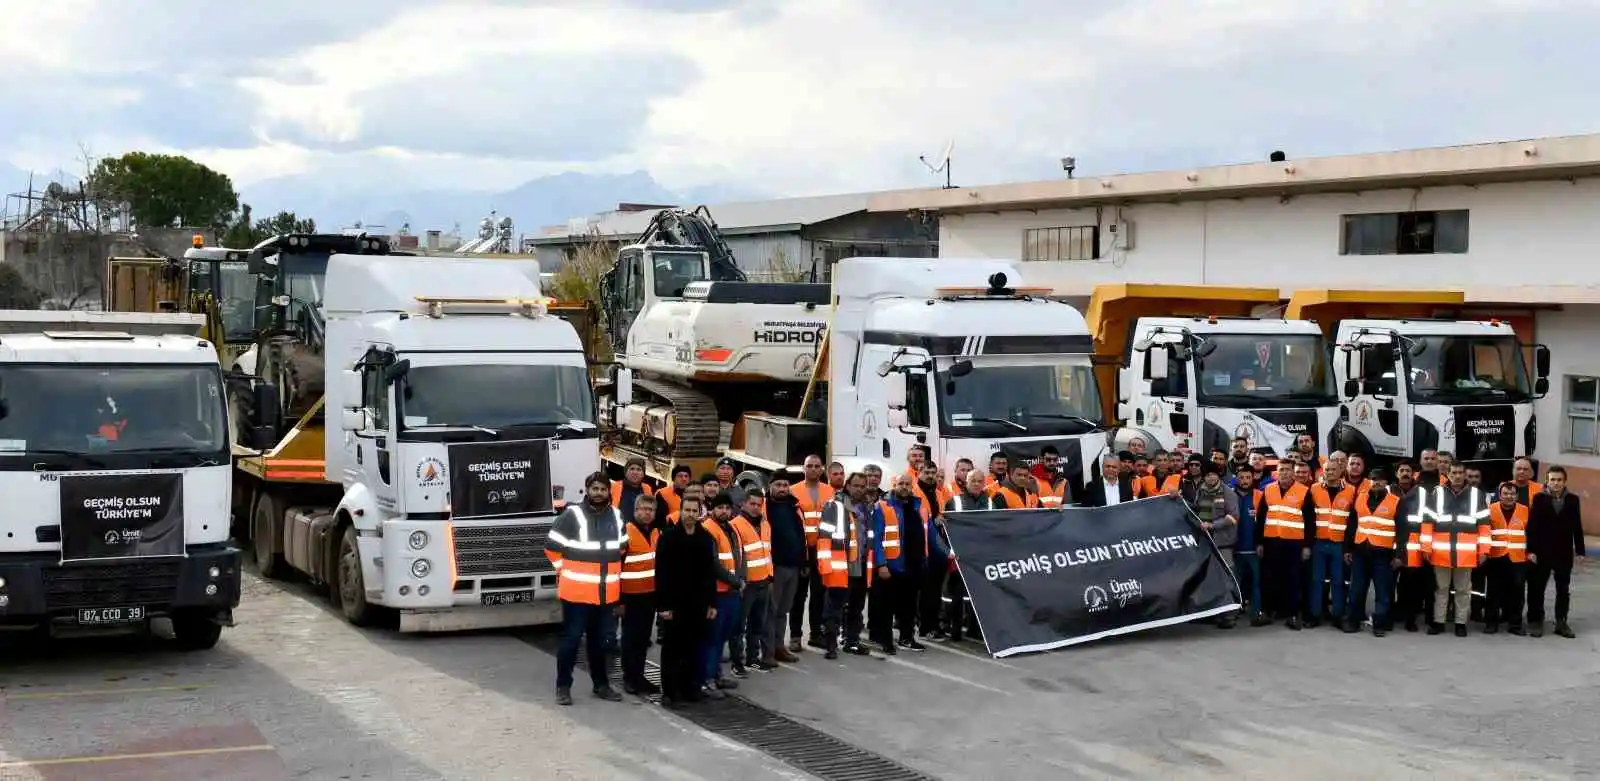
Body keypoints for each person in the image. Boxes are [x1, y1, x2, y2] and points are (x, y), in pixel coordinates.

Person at [544, 472, 628, 706]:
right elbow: (551, 547)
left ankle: (601, 685)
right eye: (595, 489)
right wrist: (565, 571)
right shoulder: (572, 514)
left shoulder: (617, 516)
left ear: (608, 492)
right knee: (571, 641)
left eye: (603, 489)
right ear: (587, 490)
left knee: (601, 643)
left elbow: (622, 549)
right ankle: (563, 687)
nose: (599, 493)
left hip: (605, 595)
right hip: (576, 595)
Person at [655, 489, 719, 709]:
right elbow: (661, 574)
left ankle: (690, 689)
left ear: (700, 512)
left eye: (695, 510)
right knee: (672, 649)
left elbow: (710, 573)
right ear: (680, 511)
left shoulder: (704, 538)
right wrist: (663, 606)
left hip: (698, 604)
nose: (691, 514)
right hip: (674, 604)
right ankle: (670, 693)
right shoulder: (668, 538)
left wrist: (712, 603)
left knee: (693, 648)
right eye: (687, 510)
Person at [1421, 462, 1490, 637]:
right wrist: (1426, 547)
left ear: (1465, 474)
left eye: (1460, 473)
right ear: (1448, 474)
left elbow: (1484, 526)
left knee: (1463, 590)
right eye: (1454, 473)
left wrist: (1484, 551)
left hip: (1465, 553)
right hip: (1440, 552)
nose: (1457, 476)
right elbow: (1428, 523)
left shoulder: (1476, 495)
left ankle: (1460, 623)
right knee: (1441, 589)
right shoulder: (1437, 493)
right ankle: (1439, 622)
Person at [817, 472, 875, 658]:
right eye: (855, 485)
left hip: (861, 564)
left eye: (862, 486)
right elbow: (824, 537)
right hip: (840, 566)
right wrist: (826, 566)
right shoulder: (835, 506)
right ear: (847, 486)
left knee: (857, 608)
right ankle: (830, 646)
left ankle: (852, 642)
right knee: (834, 608)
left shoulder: (867, 507)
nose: (859, 489)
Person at [1527, 465, 1585, 638]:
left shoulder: (1573, 500)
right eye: (1552, 479)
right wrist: (1531, 550)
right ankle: (1536, 621)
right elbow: (1532, 526)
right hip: (1542, 551)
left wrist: (1580, 551)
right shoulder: (1539, 498)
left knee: (1563, 589)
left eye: (1559, 480)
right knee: (1537, 588)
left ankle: (1561, 622)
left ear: (1564, 481)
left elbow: (1577, 526)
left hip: (1563, 552)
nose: (1556, 483)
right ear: (1547, 481)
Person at [1343, 468, 1402, 636]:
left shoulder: (1396, 501)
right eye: (1373, 479)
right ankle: (1352, 621)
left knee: (1383, 591)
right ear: (1369, 481)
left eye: (1380, 480)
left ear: (1386, 483)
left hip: (1383, 554)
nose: (1376, 482)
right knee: (1357, 589)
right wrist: (1347, 549)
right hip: (1361, 551)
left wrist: (1399, 555)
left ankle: (1380, 624)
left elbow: (1402, 531)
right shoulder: (1360, 498)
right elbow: (1352, 526)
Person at [876, 473, 931, 652]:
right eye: (901, 483)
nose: (905, 487)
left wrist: (946, 554)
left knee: (909, 606)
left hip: (914, 564)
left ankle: (907, 638)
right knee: (887, 607)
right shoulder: (882, 506)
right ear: (894, 485)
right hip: (892, 566)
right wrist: (881, 564)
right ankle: (886, 641)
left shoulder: (918, 505)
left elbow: (929, 533)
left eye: (908, 484)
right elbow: (875, 538)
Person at [1258, 460, 1314, 629]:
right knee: (1268, 579)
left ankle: (1293, 614)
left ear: (1293, 472)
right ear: (1277, 472)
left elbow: (1310, 522)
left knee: (1293, 580)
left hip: (1294, 543)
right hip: (1271, 542)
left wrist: (1306, 546)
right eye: (1281, 470)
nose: (1284, 473)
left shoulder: (1304, 492)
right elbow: (1260, 518)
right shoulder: (1268, 490)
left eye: (1287, 470)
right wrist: (1259, 542)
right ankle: (1267, 612)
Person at [701, 493, 747, 696]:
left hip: (731, 593)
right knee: (712, 637)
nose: (724, 511)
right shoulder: (709, 529)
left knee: (722, 637)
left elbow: (739, 556)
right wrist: (736, 581)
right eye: (719, 508)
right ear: (712, 509)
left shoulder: (730, 529)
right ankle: (707, 679)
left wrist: (740, 581)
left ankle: (716, 675)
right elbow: (713, 564)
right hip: (718, 593)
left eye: (727, 508)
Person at [619, 493, 661, 695]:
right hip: (630, 596)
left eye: (650, 510)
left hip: (649, 595)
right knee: (630, 639)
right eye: (643, 509)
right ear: (636, 511)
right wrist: (619, 600)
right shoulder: (626, 533)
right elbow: (616, 567)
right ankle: (629, 678)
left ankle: (639, 676)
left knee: (643, 639)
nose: (647, 513)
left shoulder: (655, 533)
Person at [792, 455, 835, 652]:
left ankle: (815, 633)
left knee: (819, 593)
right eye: (809, 466)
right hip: (802, 550)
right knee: (799, 595)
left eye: (817, 466)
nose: (813, 469)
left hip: (823, 549)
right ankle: (795, 635)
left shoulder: (830, 491)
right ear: (803, 468)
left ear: (822, 469)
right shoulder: (794, 491)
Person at [1189, 462, 1240, 629]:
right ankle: (1212, 613)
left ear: (1218, 475)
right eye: (1208, 474)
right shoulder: (1201, 491)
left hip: (1223, 543)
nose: (1211, 477)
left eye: (1214, 474)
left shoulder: (1228, 492)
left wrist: (1213, 525)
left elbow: (1233, 517)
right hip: (1205, 542)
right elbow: (1196, 510)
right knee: (1209, 579)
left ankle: (1230, 615)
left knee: (1226, 578)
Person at [1307, 453, 1354, 628]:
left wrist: (1349, 546)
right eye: (1327, 470)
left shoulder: (1350, 491)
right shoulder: (1314, 489)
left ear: (1341, 470)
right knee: (1316, 580)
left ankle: (1338, 616)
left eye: (1334, 469)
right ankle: (1315, 615)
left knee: (1338, 581)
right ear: (1323, 471)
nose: (1331, 472)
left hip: (1339, 544)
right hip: (1319, 542)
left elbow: (1352, 520)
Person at [729, 490, 774, 672]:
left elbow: (767, 552)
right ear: (744, 504)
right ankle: (737, 662)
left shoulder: (765, 524)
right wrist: (739, 582)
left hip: (764, 581)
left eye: (759, 504)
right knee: (738, 626)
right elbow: (736, 557)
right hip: (746, 585)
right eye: (752, 504)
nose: (756, 508)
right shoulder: (735, 525)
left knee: (757, 624)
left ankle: (752, 658)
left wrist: (770, 575)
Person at [763, 470, 805, 663]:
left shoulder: (794, 506)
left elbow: (801, 533)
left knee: (783, 610)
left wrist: (803, 561)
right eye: (778, 485)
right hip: (775, 567)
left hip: (793, 566)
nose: (782, 489)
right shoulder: (764, 507)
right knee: (770, 611)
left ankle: (779, 646)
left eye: (785, 485)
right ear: (770, 487)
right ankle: (768, 651)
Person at [942, 468, 989, 642]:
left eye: (979, 481)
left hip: (981, 556)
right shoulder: (953, 502)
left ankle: (974, 629)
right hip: (959, 556)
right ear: (966, 483)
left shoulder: (990, 502)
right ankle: (954, 629)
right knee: (956, 596)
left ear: (984, 483)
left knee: (978, 595)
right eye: (973, 481)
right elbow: (946, 530)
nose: (976, 484)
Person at [1483, 481, 1530, 635]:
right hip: (1496, 557)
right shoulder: (1490, 510)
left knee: (1517, 593)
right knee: (1493, 592)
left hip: (1518, 558)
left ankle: (1515, 625)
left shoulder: (1525, 511)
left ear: (1517, 495)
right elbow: (1483, 533)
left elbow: (1532, 534)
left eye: (1512, 494)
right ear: (1500, 495)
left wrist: (1531, 552)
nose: (1509, 496)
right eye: (1505, 493)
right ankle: (1491, 623)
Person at [1392, 461, 1433, 632]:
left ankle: (1410, 619)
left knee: (1411, 584)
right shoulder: (1388, 491)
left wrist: (1426, 546)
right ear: (1396, 474)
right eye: (1401, 470)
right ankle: (1391, 614)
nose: (1405, 473)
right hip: (1391, 543)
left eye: (1408, 471)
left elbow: (1429, 520)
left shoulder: (1423, 493)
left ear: (1413, 474)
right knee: (1389, 583)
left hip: (1414, 545)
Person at [913, 463, 952, 640]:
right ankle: (925, 627)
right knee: (925, 591)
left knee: (935, 591)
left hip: (938, 547)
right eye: (926, 472)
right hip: (922, 548)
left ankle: (933, 625)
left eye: (933, 473)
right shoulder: (914, 492)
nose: (930, 475)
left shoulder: (938, 492)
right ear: (919, 473)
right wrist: (933, 522)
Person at [1230, 463, 1268, 626]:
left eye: (1248, 477)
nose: (1245, 480)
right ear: (1236, 479)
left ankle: (1257, 612)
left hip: (1254, 549)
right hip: (1233, 548)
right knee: (1234, 582)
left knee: (1257, 582)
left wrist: (1261, 543)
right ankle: (1232, 612)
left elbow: (1265, 522)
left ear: (1253, 478)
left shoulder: (1260, 495)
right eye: (1241, 477)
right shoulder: (1229, 495)